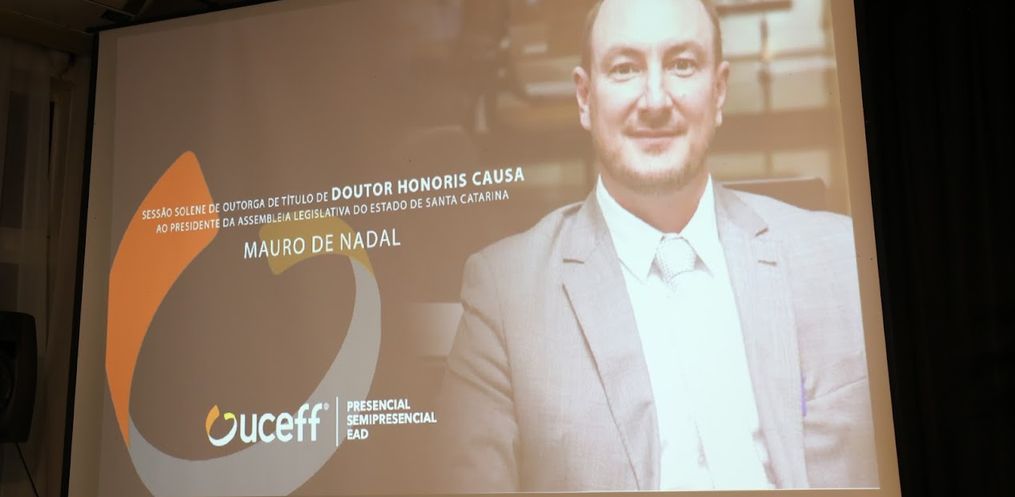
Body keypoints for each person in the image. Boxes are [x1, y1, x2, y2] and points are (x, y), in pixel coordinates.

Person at [437, 0, 878, 491]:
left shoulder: (845, 258)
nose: (654, 100)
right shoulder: (506, 294)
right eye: (624, 68)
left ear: (719, 91)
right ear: (584, 97)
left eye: (682, 64)